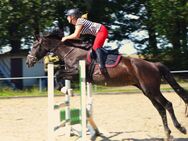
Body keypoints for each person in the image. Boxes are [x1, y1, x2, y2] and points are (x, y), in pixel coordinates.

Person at [61, 8, 108, 76]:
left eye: (68, 16)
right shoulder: (78, 22)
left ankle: (102, 68)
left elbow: (76, 35)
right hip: (100, 31)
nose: (67, 17)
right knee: (94, 49)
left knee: (96, 47)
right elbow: (78, 37)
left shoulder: (79, 22)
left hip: (101, 31)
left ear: (72, 17)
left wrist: (65, 37)